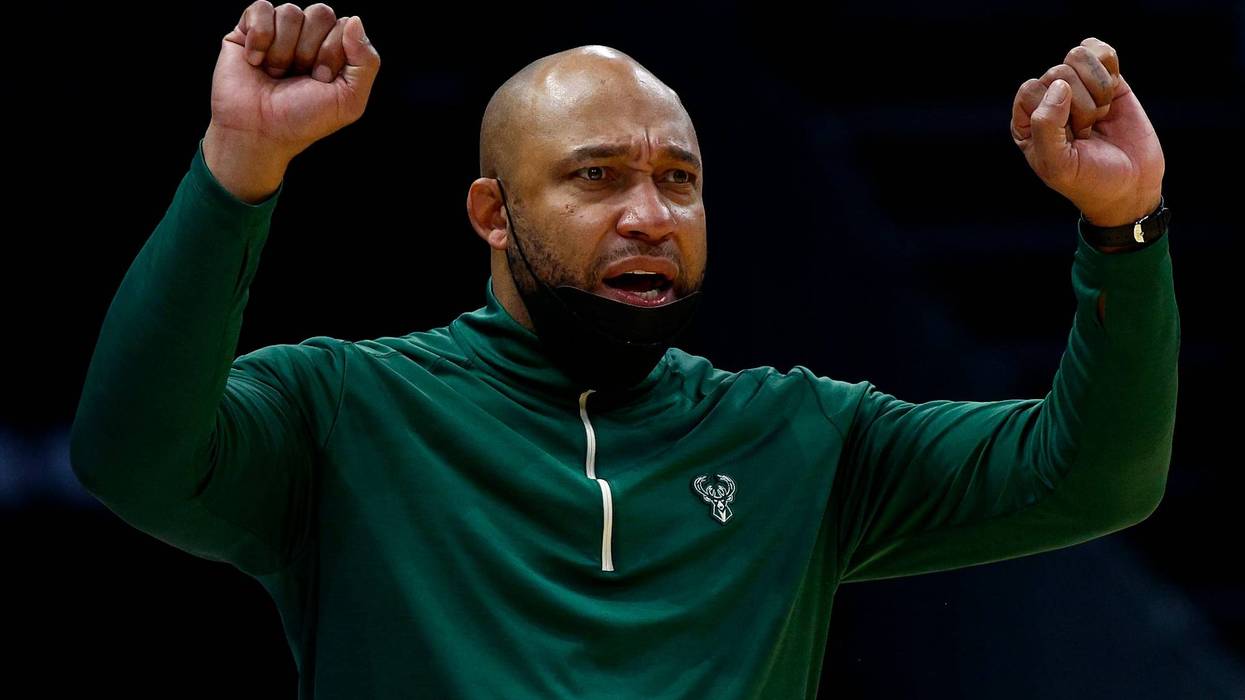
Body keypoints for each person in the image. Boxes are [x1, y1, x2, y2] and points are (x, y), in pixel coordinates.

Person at [69, 2, 1178, 698]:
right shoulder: (345, 409)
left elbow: (1096, 476)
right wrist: (237, 167)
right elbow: (132, 455)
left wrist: (1124, 227)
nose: (652, 214)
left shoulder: (804, 434)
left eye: (680, 180)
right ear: (491, 215)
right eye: (596, 176)